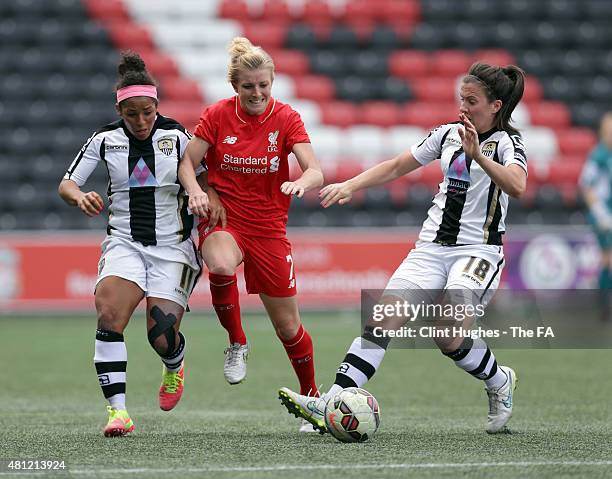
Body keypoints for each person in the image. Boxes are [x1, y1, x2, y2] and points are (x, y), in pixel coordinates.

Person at [279, 62, 527, 434]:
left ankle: (499, 381)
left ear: (495, 106)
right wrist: (351, 185)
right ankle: (331, 404)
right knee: (382, 319)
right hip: (431, 247)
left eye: (472, 101)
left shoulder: (508, 143)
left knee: (448, 334)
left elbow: (517, 186)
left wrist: (478, 157)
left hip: (477, 251)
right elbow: (397, 165)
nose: (463, 107)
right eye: (461, 98)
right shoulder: (447, 134)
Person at [178, 37, 324, 431]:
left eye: (263, 85)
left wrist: (303, 182)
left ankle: (313, 400)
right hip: (226, 219)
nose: (256, 92)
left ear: (272, 82)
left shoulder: (287, 117)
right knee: (221, 265)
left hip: (269, 227)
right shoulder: (217, 115)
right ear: (235, 87)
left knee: (288, 327)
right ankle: (237, 343)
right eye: (248, 86)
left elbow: (315, 169)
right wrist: (197, 190)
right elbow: (187, 163)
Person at [59, 52, 200, 437]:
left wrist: (207, 197)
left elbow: (208, 177)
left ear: (157, 106)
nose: (140, 121)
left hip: (174, 247)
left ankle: (174, 365)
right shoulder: (104, 140)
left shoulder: (177, 137)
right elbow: (67, 183)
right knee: (109, 315)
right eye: (131, 114)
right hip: (124, 243)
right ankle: (118, 412)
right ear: (119, 109)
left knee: (161, 337)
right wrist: (79, 197)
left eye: (147, 112)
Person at [579, 111, 612, 321]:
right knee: (608, 258)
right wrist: (600, 213)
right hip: (604, 215)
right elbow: (586, 186)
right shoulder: (598, 155)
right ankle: (603, 306)